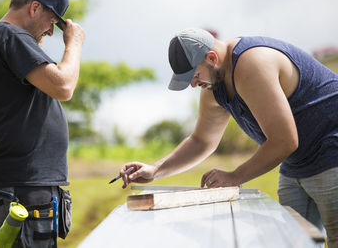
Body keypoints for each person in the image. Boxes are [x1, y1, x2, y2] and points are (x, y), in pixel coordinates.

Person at [119, 28, 338, 247]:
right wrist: (155, 170)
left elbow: (284, 141)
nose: (194, 85)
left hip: (332, 152)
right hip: (295, 164)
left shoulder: (251, 63)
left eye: (194, 76)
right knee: (293, 243)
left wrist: (235, 177)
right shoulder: (214, 84)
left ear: (212, 58)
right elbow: (202, 141)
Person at [0, 0, 85, 246]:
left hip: (24, 182)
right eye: (52, 21)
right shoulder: (9, 36)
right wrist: (74, 43)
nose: (51, 31)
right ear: (34, 8)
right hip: (26, 184)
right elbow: (63, 85)